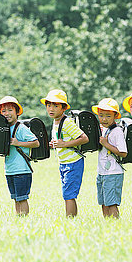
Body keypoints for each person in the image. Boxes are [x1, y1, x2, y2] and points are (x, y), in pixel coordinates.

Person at [42, 89, 89, 217]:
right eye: (49, 105)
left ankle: (70, 220)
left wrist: (64, 144)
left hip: (73, 162)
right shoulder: (55, 121)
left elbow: (84, 138)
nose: (51, 109)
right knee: (67, 193)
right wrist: (55, 143)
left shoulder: (67, 122)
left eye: (55, 106)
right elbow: (62, 138)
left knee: (68, 194)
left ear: (63, 108)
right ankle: (71, 218)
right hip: (64, 163)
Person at [0, 96, 39, 216]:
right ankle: (18, 218)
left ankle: (24, 219)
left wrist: (18, 143)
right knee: (15, 197)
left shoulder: (21, 128)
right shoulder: (4, 129)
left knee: (22, 198)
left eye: (10, 110)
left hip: (22, 169)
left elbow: (36, 143)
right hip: (10, 170)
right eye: (3, 111)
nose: (6, 113)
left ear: (17, 112)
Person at [92, 98, 127, 218]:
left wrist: (106, 144)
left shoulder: (117, 131)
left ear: (115, 116)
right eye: (101, 115)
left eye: (108, 116)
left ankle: (115, 225)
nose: (104, 119)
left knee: (112, 203)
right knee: (103, 202)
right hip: (102, 172)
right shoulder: (104, 129)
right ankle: (107, 225)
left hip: (113, 172)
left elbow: (123, 153)